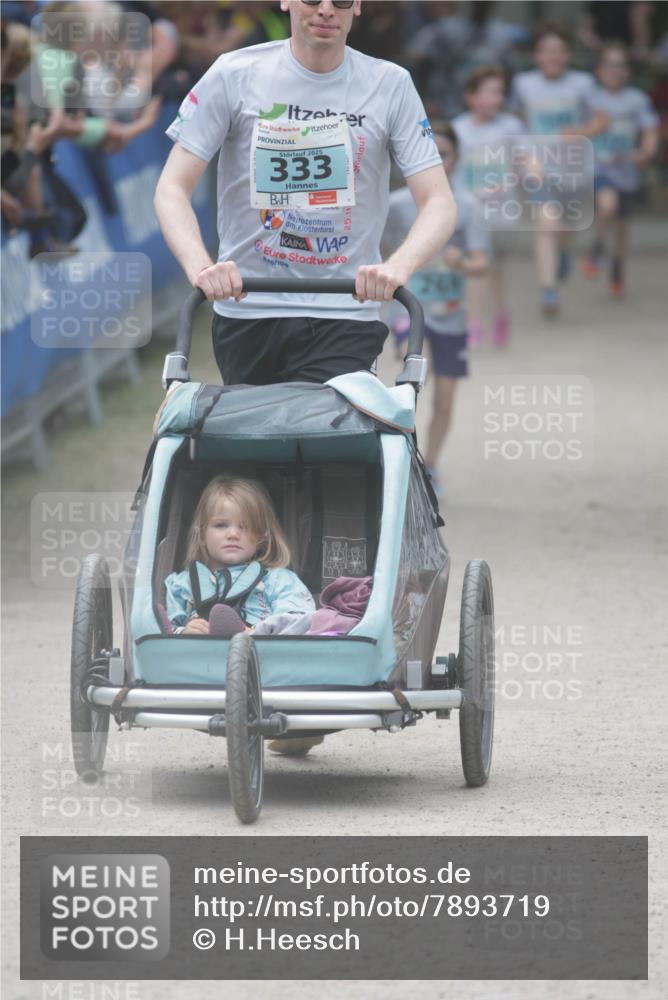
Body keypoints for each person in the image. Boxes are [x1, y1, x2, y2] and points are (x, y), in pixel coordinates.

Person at [154, 0, 456, 388]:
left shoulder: (390, 84)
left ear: (357, 6)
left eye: (341, 1)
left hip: (346, 307)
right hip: (249, 308)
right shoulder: (234, 74)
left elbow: (439, 202)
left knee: (334, 443)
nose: (327, 10)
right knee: (255, 443)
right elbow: (171, 187)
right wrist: (201, 268)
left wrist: (398, 268)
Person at [383, 122, 489, 499]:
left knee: (444, 401)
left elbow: (482, 264)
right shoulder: (396, 204)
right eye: (432, 153)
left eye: (444, 153)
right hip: (409, 315)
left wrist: (462, 263)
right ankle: (402, 462)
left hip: (452, 316)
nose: (438, 160)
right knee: (411, 378)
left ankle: (432, 465)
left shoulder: (469, 206)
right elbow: (372, 249)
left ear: (457, 158)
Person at [509, 24, 607, 316]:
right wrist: (524, 157)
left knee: (565, 226)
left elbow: (602, 120)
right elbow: (516, 123)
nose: (552, 56)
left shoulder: (584, 83)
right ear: (537, 55)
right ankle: (548, 289)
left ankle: (563, 254)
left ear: (567, 55)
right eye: (546, 51)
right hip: (540, 166)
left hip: (576, 168)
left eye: (558, 51)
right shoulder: (523, 83)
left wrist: (581, 130)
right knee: (547, 222)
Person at [452, 65, 525, 346]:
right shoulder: (458, 128)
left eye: (499, 93)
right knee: (476, 266)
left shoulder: (511, 127)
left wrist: (526, 173)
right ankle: (473, 321)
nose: (496, 99)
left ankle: (500, 313)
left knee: (495, 270)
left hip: (502, 213)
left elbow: (524, 158)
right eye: (489, 93)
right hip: (470, 212)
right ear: (470, 96)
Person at [580, 42, 659, 298]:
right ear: (599, 70)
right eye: (608, 64)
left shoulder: (637, 100)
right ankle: (597, 249)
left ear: (628, 71)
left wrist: (646, 152)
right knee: (607, 205)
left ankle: (617, 268)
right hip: (598, 167)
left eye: (620, 65)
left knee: (623, 229)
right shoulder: (589, 98)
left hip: (626, 172)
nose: (614, 70)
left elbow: (650, 130)